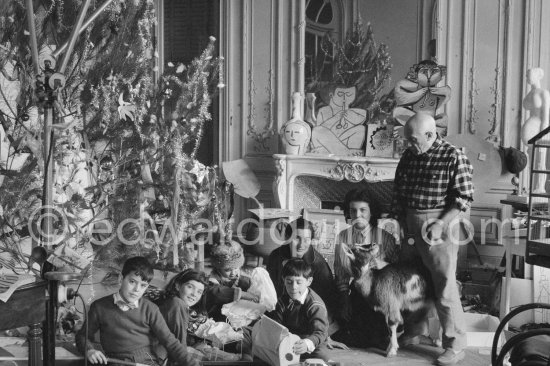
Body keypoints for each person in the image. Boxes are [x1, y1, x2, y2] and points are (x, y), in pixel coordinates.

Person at [392, 112, 474, 366]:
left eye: (413, 140)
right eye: (407, 140)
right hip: (410, 222)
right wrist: (399, 221)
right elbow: (399, 190)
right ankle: (416, 331)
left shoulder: (453, 155)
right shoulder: (409, 155)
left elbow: (463, 198)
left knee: (444, 286)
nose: (409, 145)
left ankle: (455, 344)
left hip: (439, 224)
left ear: (430, 135)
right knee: (414, 281)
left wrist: (441, 223)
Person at [75, 256, 199, 366]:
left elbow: (170, 342)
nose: (136, 289)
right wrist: (89, 350)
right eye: (132, 282)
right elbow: (82, 336)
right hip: (117, 362)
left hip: (148, 362)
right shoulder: (99, 306)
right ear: (120, 279)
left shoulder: (150, 308)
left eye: (143, 285)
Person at [330, 188, 399, 350]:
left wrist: (380, 265)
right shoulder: (343, 237)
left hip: (381, 295)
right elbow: (341, 272)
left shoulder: (385, 238)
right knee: (354, 337)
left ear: (371, 212)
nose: (357, 215)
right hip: (357, 294)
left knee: (375, 338)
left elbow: (396, 272)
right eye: (353, 210)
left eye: (363, 210)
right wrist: (344, 300)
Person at [266, 217, 337, 318]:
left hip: (307, 316)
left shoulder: (318, 264)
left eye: (307, 240)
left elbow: (325, 301)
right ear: (287, 237)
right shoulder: (275, 256)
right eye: (297, 238)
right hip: (279, 311)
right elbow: (270, 290)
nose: (301, 245)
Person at [269, 258, 331, 362]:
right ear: (283, 280)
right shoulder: (282, 301)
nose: (293, 287)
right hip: (287, 340)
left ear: (309, 281)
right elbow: (277, 325)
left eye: (299, 282)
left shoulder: (315, 305)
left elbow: (320, 332)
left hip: (307, 341)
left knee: (322, 355)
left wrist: (307, 343)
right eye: (289, 282)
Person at [156, 269, 208, 365]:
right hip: (160, 357)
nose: (194, 294)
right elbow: (180, 343)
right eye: (190, 287)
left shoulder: (176, 303)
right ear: (178, 285)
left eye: (199, 292)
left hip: (169, 353)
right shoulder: (176, 303)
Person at [204, 240, 258, 321]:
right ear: (218, 268)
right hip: (217, 316)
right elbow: (216, 292)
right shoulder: (213, 279)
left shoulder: (242, 277)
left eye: (236, 268)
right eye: (227, 270)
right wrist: (242, 294)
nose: (233, 273)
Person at [311, 84, 367, 155]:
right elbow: (320, 132)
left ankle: (332, 151)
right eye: (340, 94)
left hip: (339, 144)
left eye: (348, 95)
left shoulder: (354, 112)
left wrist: (351, 117)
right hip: (327, 142)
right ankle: (346, 152)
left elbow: (360, 121)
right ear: (331, 95)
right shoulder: (324, 110)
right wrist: (336, 118)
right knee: (317, 129)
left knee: (361, 128)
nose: (344, 98)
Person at [521, 67, 550, 192]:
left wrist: (542, 135)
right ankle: (533, 186)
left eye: (529, 75)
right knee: (532, 158)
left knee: (540, 158)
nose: (527, 78)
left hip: (539, 129)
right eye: (526, 76)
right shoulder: (530, 93)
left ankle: (539, 187)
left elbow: (545, 118)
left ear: (538, 76)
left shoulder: (544, 93)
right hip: (531, 129)